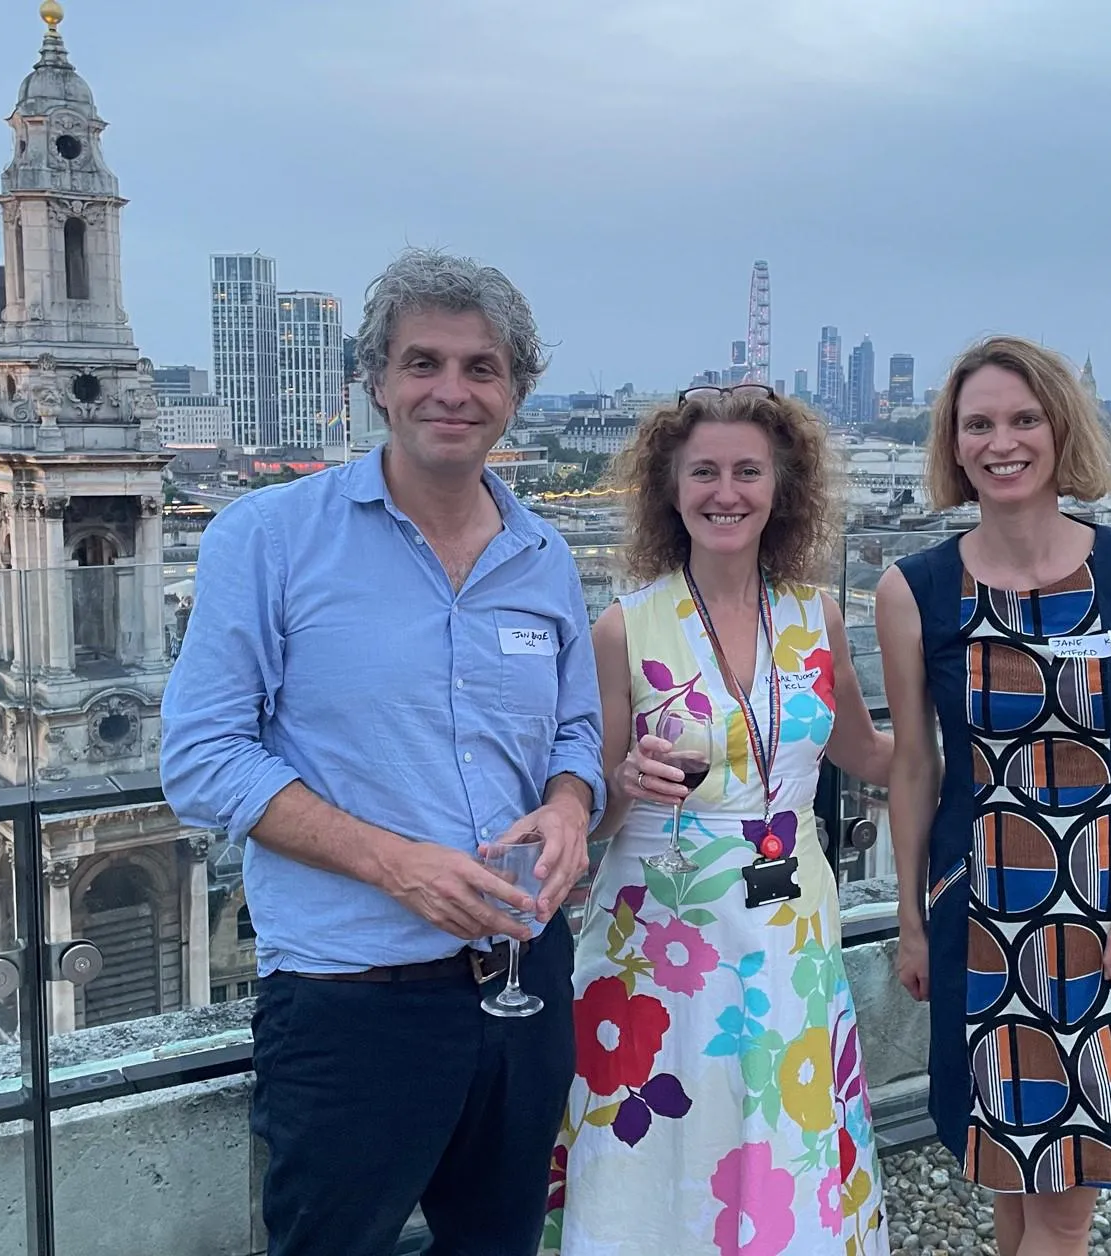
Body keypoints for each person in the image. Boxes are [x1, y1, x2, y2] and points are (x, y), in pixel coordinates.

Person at [160, 247, 606, 1256]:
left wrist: (574, 802)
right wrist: (395, 863)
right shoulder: (268, 537)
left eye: (481, 366)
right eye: (423, 362)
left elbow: (576, 732)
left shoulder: (544, 556)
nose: (452, 389)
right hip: (352, 1003)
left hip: (524, 979)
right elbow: (200, 756)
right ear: (374, 383)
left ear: (516, 391)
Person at [875, 336, 1111, 1255]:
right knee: (1010, 1182)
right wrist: (913, 921)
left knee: (1064, 1207)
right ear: (952, 445)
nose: (1003, 442)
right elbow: (916, 766)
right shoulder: (915, 590)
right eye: (979, 423)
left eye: (1024, 418)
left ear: (1061, 428)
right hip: (986, 916)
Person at [545, 384, 894, 1255]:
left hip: (790, 929)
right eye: (704, 471)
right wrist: (621, 779)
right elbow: (590, 813)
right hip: (663, 933)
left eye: (747, 471)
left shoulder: (819, 616)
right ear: (671, 487)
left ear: (783, 488)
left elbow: (868, 753)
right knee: (664, 1140)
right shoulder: (624, 628)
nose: (725, 491)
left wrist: (978, 728)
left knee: (783, 1132)